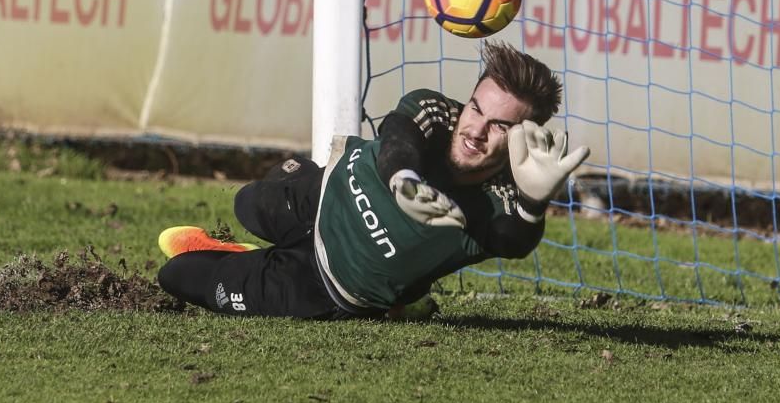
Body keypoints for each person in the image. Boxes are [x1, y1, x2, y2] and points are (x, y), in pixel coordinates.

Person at [156, 40, 590, 319]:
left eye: (499, 126)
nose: (475, 129)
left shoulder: (500, 199)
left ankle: (235, 260)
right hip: (319, 195)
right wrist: (403, 181)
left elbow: (511, 239)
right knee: (247, 202)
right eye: (476, 108)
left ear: (522, 137)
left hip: (327, 282)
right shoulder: (437, 112)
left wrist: (533, 202)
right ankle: (249, 248)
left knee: (179, 275)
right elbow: (399, 136)